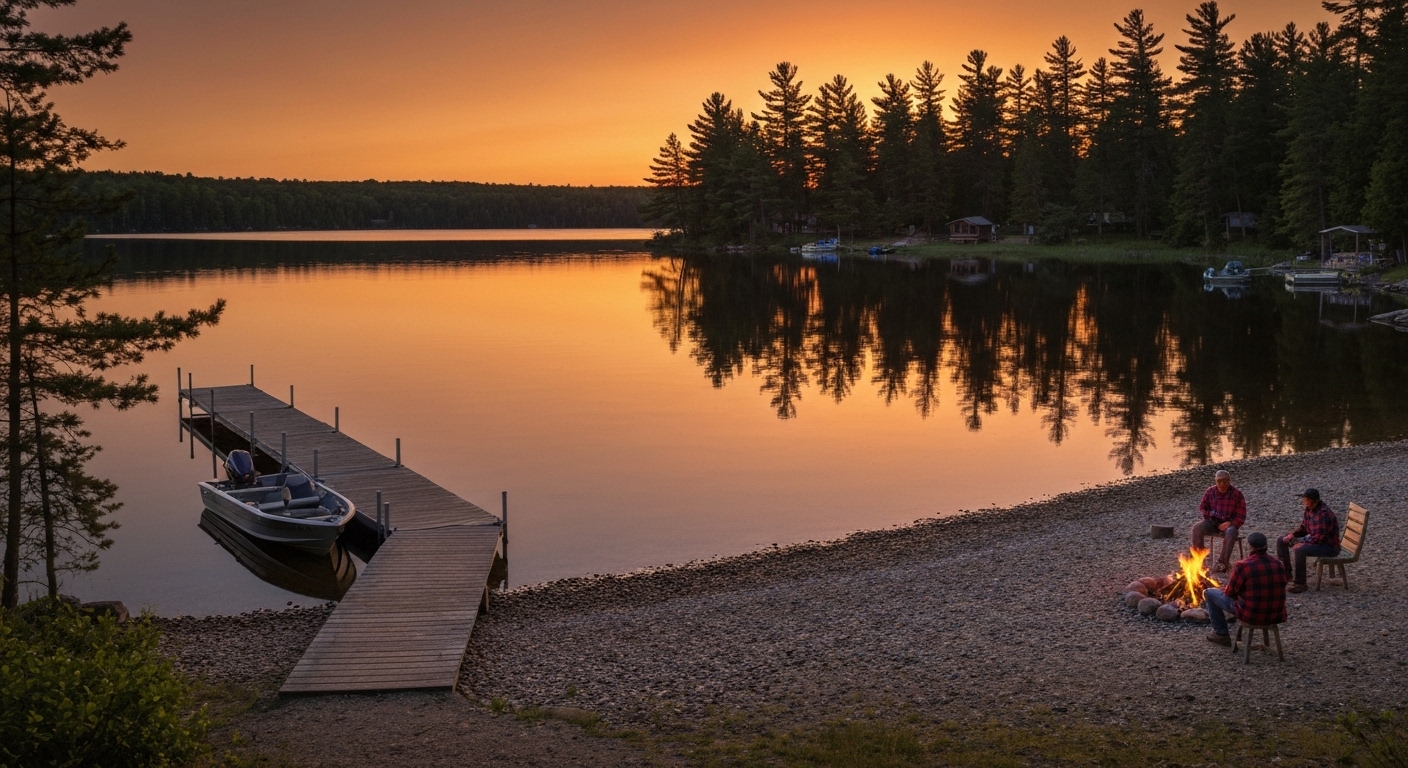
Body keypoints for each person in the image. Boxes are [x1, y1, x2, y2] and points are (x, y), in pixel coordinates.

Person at [1203, 532, 1287, 646]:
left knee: (1209, 593)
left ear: (1250, 547)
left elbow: (1229, 593)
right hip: (1275, 614)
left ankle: (1221, 634)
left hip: (1250, 614)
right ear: (1266, 546)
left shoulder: (1243, 565)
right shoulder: (1279, 564)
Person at [1278, 488, 1340, 594]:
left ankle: (1300, 583)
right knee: (1281, 540)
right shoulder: (1309, 509)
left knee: (1300, 550)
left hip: (1328, 546)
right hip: (1314, 539)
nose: (1304, 501)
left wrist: (1301, 543)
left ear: (1313, 500)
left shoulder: (1324, 514)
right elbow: (1304, 528)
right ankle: (1286, 574)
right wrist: (1293, 535)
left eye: (1306, 499)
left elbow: (1319, 539)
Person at [1192, 470, 1246, 572]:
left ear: (1229, 481)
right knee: (1197, 527)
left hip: (1229, 524)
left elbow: (1241, 516)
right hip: (1212, 522)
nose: (1222, 484)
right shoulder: (1210, 492)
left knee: (1231, 532)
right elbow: (1203, 508)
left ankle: (1222, 564)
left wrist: (1230, 523)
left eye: (1225, 481)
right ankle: (1199, 561)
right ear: (1216, 482)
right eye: (1219, 481)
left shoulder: (1237, 494)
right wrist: (1211, 515)